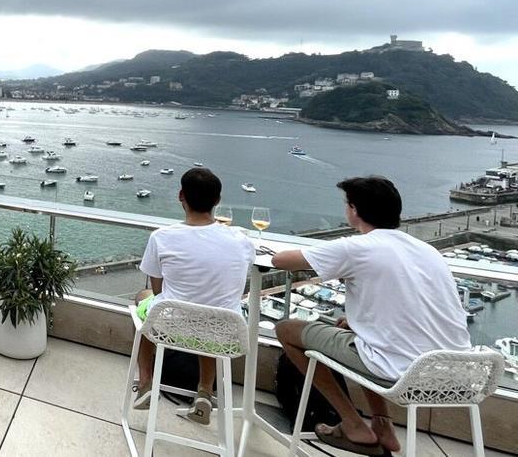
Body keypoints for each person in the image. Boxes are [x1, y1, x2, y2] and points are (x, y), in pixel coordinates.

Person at [273, 176, 471, 455]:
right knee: (359, 333)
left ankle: (352, 423)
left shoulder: (357, 247)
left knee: (286, 329)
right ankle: (382, 426)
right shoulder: (427, 251)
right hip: (458, 373)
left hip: (402, 372)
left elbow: (280, 261)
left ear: (353, 211)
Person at [132, 167, 255, 425]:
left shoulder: (162, 237)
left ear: (181, 196)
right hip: (224, 331)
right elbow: (238, 285)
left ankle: (145, 383)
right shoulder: (241, 240)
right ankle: (205, 391)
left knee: (144, 301)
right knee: (209, 313)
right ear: (217, 201)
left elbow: (157, 290)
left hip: (171, 326)